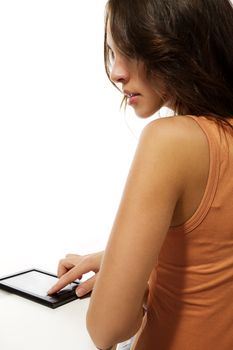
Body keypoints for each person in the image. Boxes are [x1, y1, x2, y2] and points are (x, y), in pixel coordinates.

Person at [48, 0, 233, 349]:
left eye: (129, 51)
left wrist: (124, 291)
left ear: (173, 44)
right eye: (112, 52)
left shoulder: (171, 141)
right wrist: (121, 262)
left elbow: (108, 329)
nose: (117, 71)